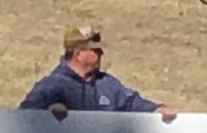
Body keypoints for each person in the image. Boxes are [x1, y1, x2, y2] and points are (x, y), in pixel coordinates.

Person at [20, 25, 177, 122]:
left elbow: (131, 103)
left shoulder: (108, 84)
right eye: (95, 50)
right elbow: (22, 120)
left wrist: (157, 110)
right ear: (79, 54)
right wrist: (47, 115)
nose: (101, 53)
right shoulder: (52, 86)